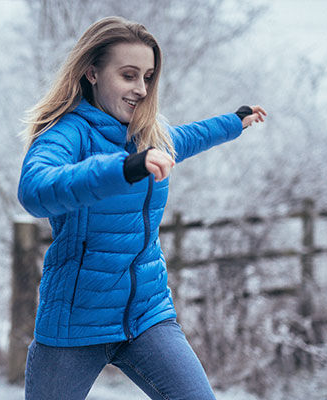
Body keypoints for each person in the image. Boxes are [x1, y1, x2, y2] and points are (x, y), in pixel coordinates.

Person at [17, 16, 266, 400]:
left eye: (148, 77)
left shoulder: (148, 134)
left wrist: (234, 122)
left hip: (146, 314)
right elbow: (36, 188)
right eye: (129, 75)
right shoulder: (68, 132)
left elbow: (187, 137)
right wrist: (123, 168)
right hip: (75, 320)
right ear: (92, 73)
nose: (141, 89)